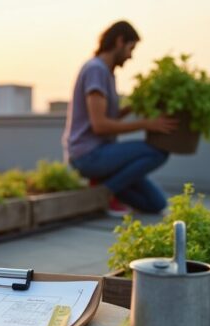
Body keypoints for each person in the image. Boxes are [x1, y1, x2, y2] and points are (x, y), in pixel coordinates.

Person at [62, 20, 177, 215]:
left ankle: (104, 185)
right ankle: (104, 194)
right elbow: (100, 125)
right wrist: (147, 124)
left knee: (156, 203)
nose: (131, 56)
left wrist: (136, 104)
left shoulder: (107, 73)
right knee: (158, 152)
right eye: (131, 48)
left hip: (102, 154)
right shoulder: (96, 69)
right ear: (120, 41)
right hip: (89, 155)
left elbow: (109, 116)